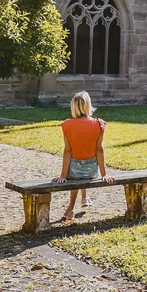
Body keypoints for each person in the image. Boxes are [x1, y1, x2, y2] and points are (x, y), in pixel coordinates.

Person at [54, 91, 112, 221]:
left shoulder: (67, 125)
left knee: (76, 176)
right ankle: (84, 197)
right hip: (92, 172)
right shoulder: (99, 124)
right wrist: (104, 174)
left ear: (73, 107)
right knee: (83, 174)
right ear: (88, 105)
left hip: (74, 170)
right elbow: (99, 150)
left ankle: (71, 208)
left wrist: (63, 175)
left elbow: (67, 151)